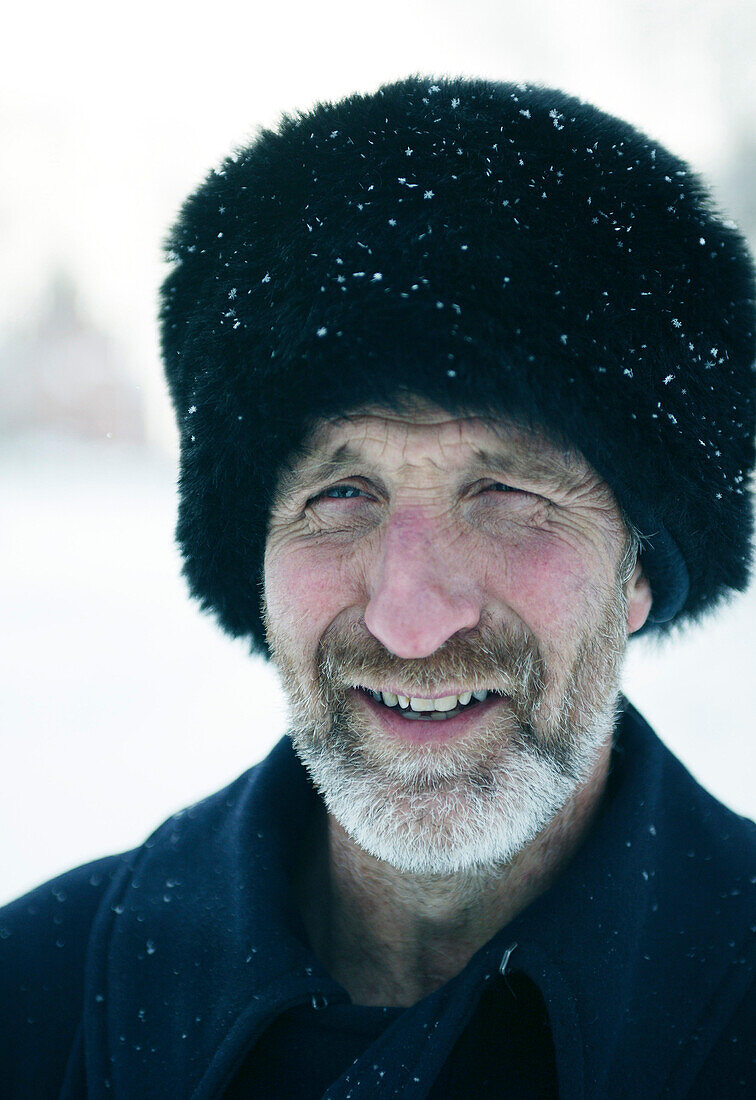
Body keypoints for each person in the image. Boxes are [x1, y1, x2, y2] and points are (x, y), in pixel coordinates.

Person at [1, 75, 754, 1099]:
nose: (409, 617)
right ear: (255, 560)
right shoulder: (37, 1002)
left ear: (638, 571)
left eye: (508, 489)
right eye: (341, 492)